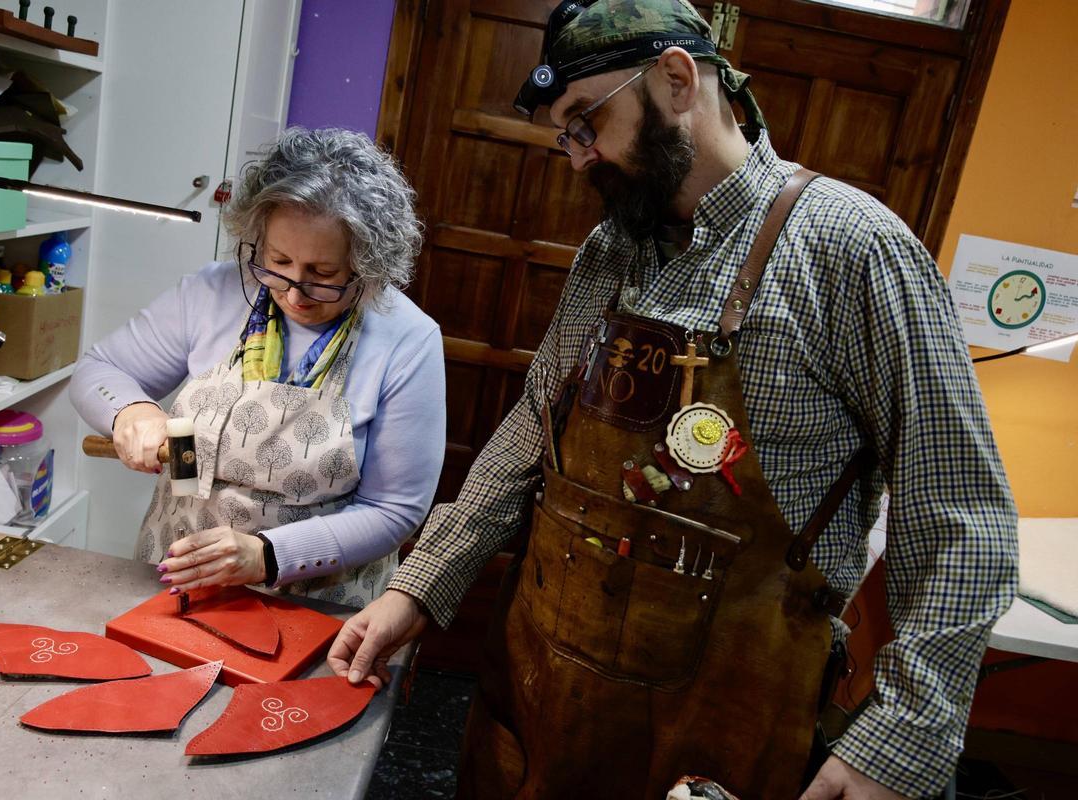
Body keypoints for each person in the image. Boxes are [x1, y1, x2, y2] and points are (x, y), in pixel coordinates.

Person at [327, 2, 1017, 798]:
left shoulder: (855, 251)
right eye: (566, 136)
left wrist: (900, 738)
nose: (578, 159)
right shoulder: (610, 248)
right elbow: (532, 430)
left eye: (587, 122)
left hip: (726, 729)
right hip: (542, 694)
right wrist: (422, 584)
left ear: (678, 78)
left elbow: (962, 517)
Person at [71, 127, 446, 607]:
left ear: (368, 263)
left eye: (324, 274)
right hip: (178, 581)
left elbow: (395, 510)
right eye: (277, 261)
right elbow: (99, 370)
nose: (294, 292)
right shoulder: (212, 293)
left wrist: (267, 555)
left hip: (317, 600)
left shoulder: (407, 340)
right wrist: (131, 411)